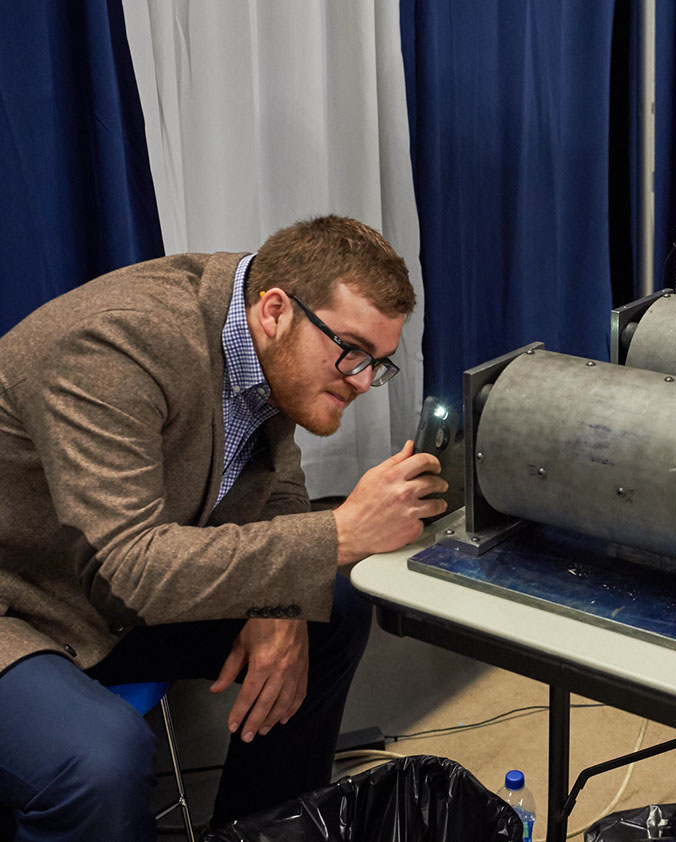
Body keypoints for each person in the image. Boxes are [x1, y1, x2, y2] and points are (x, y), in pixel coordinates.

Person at [0, 216, 448, 840]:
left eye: (378, 362)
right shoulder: (118, 342)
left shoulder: (262, 335)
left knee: (334, 609)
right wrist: (338, 535)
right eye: (350, 351)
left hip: (96, 597)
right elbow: (128, 569)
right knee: (99, 762)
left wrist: (283, 604)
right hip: (19, 604)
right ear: (274, 312)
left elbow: (279, 488)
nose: (363, 381)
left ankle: (261, 830)